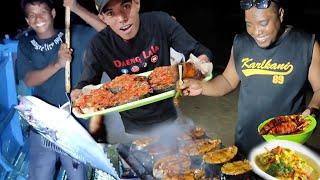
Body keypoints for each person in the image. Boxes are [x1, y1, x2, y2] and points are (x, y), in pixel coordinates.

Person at [180, 0, 320, 155]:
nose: (256, 31)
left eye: (263, 23)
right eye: (249, 24)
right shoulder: (241, 43)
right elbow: (227, 81)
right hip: (245, 145)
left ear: (280, 14)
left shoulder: (306, 45)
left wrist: (312, 110)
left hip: (287, 148)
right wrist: (202, 87)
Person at [70, 0, 213, 143]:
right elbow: (87, 84)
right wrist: (78, 93)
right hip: (134, 128)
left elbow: (199, 51)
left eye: (126, 6)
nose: (121, 18)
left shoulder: (160, 22)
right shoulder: (99, 45)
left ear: (137, 3)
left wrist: (202, 64)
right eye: (111, 13)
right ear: (103, 19)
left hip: (172, 114)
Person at [16, 0, 96, 179]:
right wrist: (57, 64)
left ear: (52, 13)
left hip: (74, 123)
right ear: (27, 21)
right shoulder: (26, 43)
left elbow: (106, 31)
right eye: (32, 15)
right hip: (43, 125)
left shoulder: (72, 35)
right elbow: (29, 80)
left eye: (43, 12)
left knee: (78, 176)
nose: (38, 18)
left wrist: (76, 7)